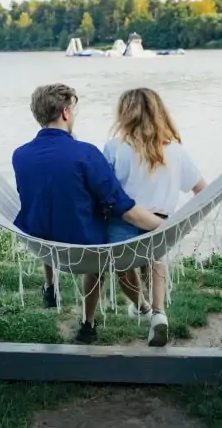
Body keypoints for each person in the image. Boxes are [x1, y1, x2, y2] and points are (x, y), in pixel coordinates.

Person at [11, 83, 165, 344]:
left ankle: (51, 287)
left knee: (53, 205)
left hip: (44, 246)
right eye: (74, 110)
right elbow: (123, 207)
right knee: (107, 233)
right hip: (84, 249)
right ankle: (96, 320)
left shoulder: (19, 155)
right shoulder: (86, 154)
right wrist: (162, 227)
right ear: (65, 113)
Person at [103, 87, 206, 347]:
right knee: (155, 260)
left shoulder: (114, 148)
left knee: (123, 266)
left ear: (124, 114)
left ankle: (141, 306)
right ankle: (159, 313)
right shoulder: (175, 151)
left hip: (123, 220)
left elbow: (101, 187)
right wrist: (183, 221)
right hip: (161, 222)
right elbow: (202, 190)